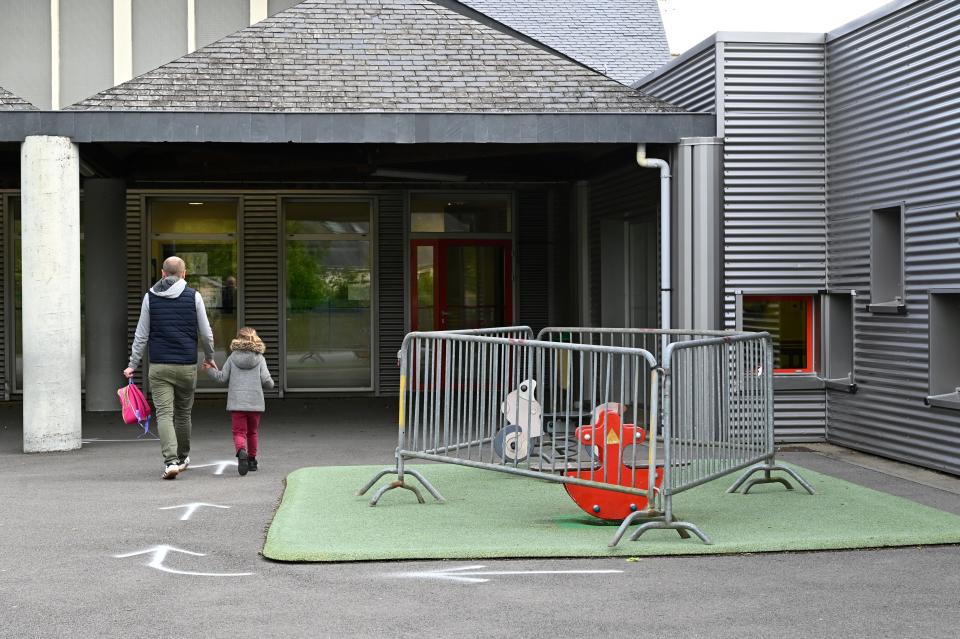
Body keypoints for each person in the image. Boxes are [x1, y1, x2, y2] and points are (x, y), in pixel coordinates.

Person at [124, 256, 215, 480]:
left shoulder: (149, 297)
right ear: (184, 274)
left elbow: (141, 335)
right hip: (186, 366)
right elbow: (206, 333)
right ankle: (183, 457)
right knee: (183, 414)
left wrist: (132, 364)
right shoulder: (194, 296)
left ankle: (170, 461)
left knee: (164, 414)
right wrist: (210, 356)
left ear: (163, 274)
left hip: (159, 366)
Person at [205, 327, 274, 476]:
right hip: (255, 404)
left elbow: (222, 377)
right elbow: (267, 381)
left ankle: (241, 450)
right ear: (255, 340)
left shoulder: (232, 357)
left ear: (238, 340)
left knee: (239, 432)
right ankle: (252, 461)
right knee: (252, 432)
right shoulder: (260, 358)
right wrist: (271, 383)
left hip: (237, 403)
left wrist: (210, 370)